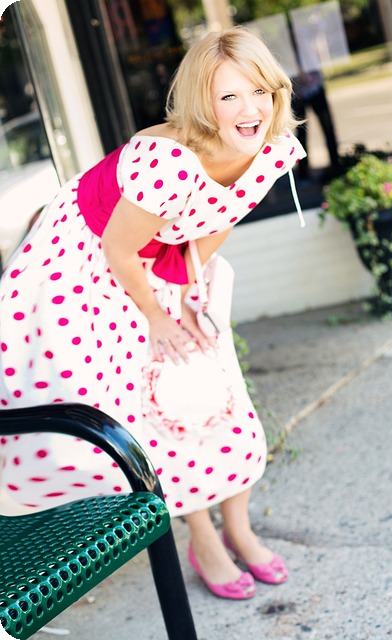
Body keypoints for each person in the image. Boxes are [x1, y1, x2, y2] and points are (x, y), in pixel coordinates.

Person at [0, 26, 306, 600]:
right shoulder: (168, 162)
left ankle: (238, 529)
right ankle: (203, 539)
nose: (251, 110)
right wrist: (156, 317)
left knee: (213, 388)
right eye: (229, 96)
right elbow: (117, 247)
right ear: (202, 103)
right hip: (85, 267)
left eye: (260, 91)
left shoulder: (269, 146)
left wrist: (190, 291)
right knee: (148, 410)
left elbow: (223, 215)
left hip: (162, 260)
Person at [291, 67, 341, 181]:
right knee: (301, 130)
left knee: (327, 127)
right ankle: (303, 170)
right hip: (296, 87)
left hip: (314, 84)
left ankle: (335, 164)